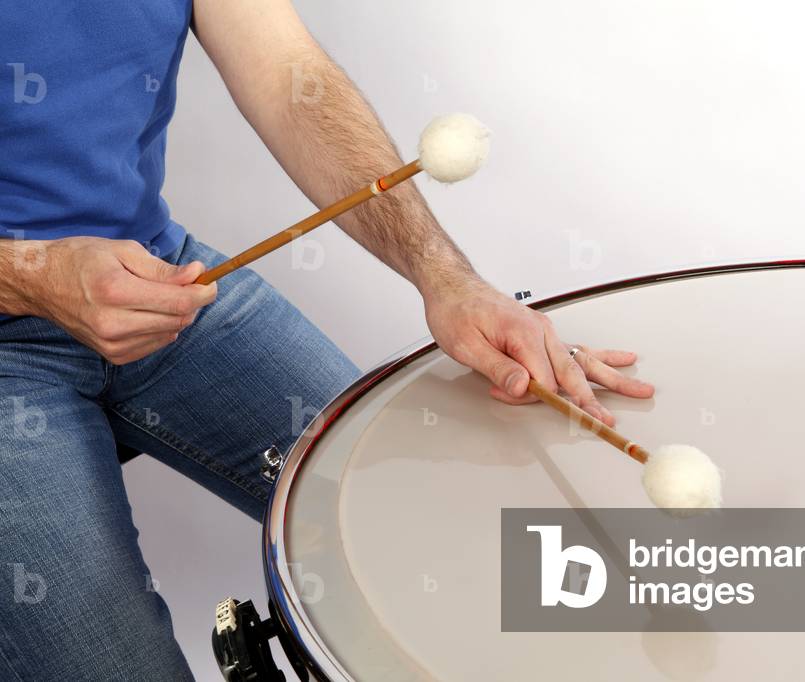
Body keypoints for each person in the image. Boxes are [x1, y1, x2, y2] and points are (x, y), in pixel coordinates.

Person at [0, 1, 654, 678]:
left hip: (163, 276)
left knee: (429, 529)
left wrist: (444, 277)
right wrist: (30, 274)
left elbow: (289, 73)